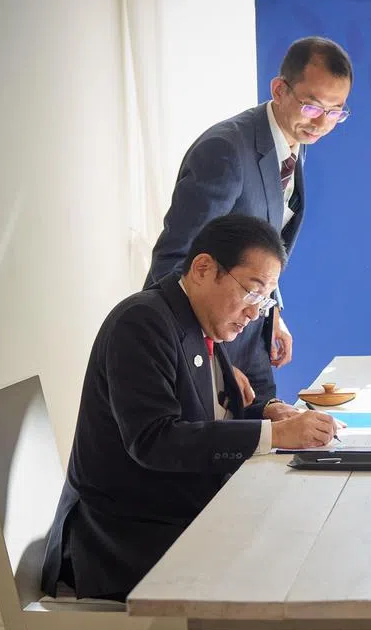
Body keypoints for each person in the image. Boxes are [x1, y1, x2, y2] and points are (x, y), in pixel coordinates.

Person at [42, 215, 337, 630]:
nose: (254, 312)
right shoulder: (142, 323)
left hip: (164, 514)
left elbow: (203, 414)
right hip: (119, 538)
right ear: (203, 268)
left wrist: (265, 410)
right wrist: (272, 434)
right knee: (273, 562)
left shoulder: (193, 321)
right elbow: (155, 439)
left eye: (265, 299)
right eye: (251, 290)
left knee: (291, 536)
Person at [145, 35, 353, 404]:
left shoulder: (293, 141)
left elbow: (258, 243)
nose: (322, 122)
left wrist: (272, 311)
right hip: (199, 349)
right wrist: (209, 361)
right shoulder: (224, 151)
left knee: (279, 431)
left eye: (335, 112)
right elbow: (175, 262)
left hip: (247, 335)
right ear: (279, 90)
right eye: (312, 107)